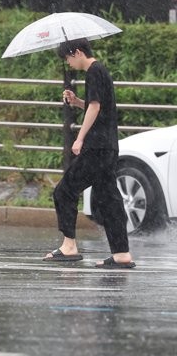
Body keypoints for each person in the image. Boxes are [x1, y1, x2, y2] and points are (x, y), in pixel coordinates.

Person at [42, 39, 134, 269]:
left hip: (96, 147)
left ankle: (69, 246)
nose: (68, 62)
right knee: (108, 200)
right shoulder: (101, 70)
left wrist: (80, 138)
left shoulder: (93, 71)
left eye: (68, 57)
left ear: (78, 52)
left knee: (64, 191)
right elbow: (98, 106)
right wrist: (77, 101)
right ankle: (122, 253)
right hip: (109, 146)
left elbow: (95, 108)